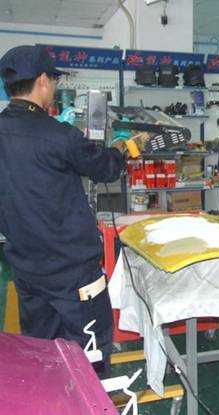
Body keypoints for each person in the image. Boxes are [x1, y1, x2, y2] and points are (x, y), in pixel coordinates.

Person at [0, 46, 126, 374]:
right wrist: (121, 148)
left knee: (43, 350)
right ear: (43, 80)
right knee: (90, 353)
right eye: (54, 81)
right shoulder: (59, 135)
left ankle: (52, 396)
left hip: (26, 267)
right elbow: (106, 169)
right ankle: (91, 394)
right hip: (73, 270)